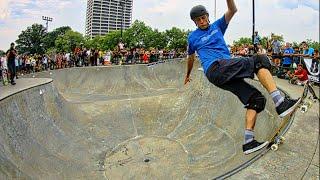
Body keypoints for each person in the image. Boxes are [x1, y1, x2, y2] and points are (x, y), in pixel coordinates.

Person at [185, 1, 300, 155]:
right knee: (259, 60)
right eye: (198, 20)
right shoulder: (192, 37)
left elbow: (232, 9)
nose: (202, 21)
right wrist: (187, 74)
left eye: (203, 18)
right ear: (194, 22)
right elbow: (190, 57)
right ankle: (280, 103)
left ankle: (248, 141)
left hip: (224, 72)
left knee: (256, 99)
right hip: (215, 68)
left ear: (207, 16)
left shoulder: (218, 25)